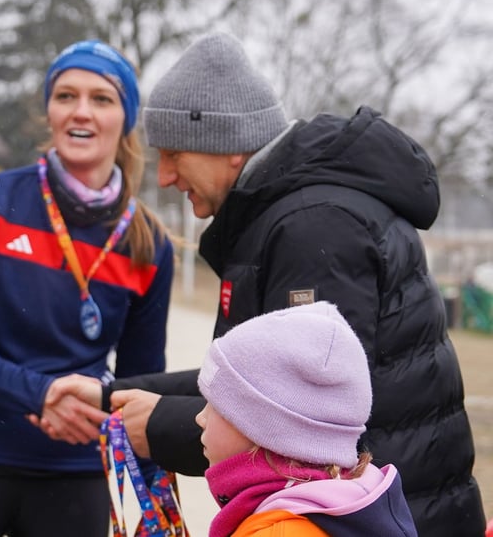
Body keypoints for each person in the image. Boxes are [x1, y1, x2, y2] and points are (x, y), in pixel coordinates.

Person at [87, 31, 482, 536]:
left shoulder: (313, 226)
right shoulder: (288, 216)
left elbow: (306, 418)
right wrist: (112, 396)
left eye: (174, 154)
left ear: (226, 144)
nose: (163, 176)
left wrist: (158, 425)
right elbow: (245, 382)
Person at [0, 39, 175, 537]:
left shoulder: (150, 245)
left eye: (102, 99)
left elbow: (140, 382)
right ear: (49, 110)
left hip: (75, 468)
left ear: (126, 119)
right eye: (66, 95)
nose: (82, 112)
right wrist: (39, 394)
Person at [196, 302, 416, 536]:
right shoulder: (349, 503)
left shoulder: (279, 532)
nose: (200, 417)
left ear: (268, 428)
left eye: (217, 405)